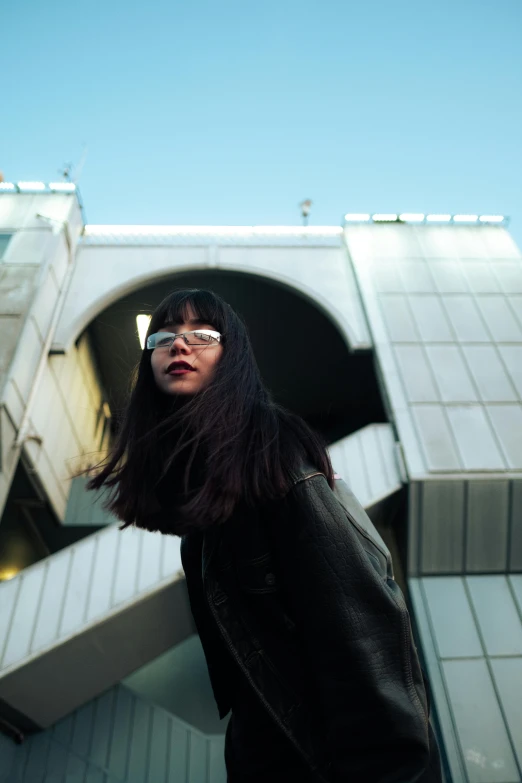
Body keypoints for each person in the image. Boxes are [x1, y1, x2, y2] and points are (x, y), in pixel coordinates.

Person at [87, 288, 442, 783]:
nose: (179, 346)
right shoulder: (205, 516)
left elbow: (367, 638)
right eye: (164, 337)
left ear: (233, 358)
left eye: (202, 336)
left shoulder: (279, 467)